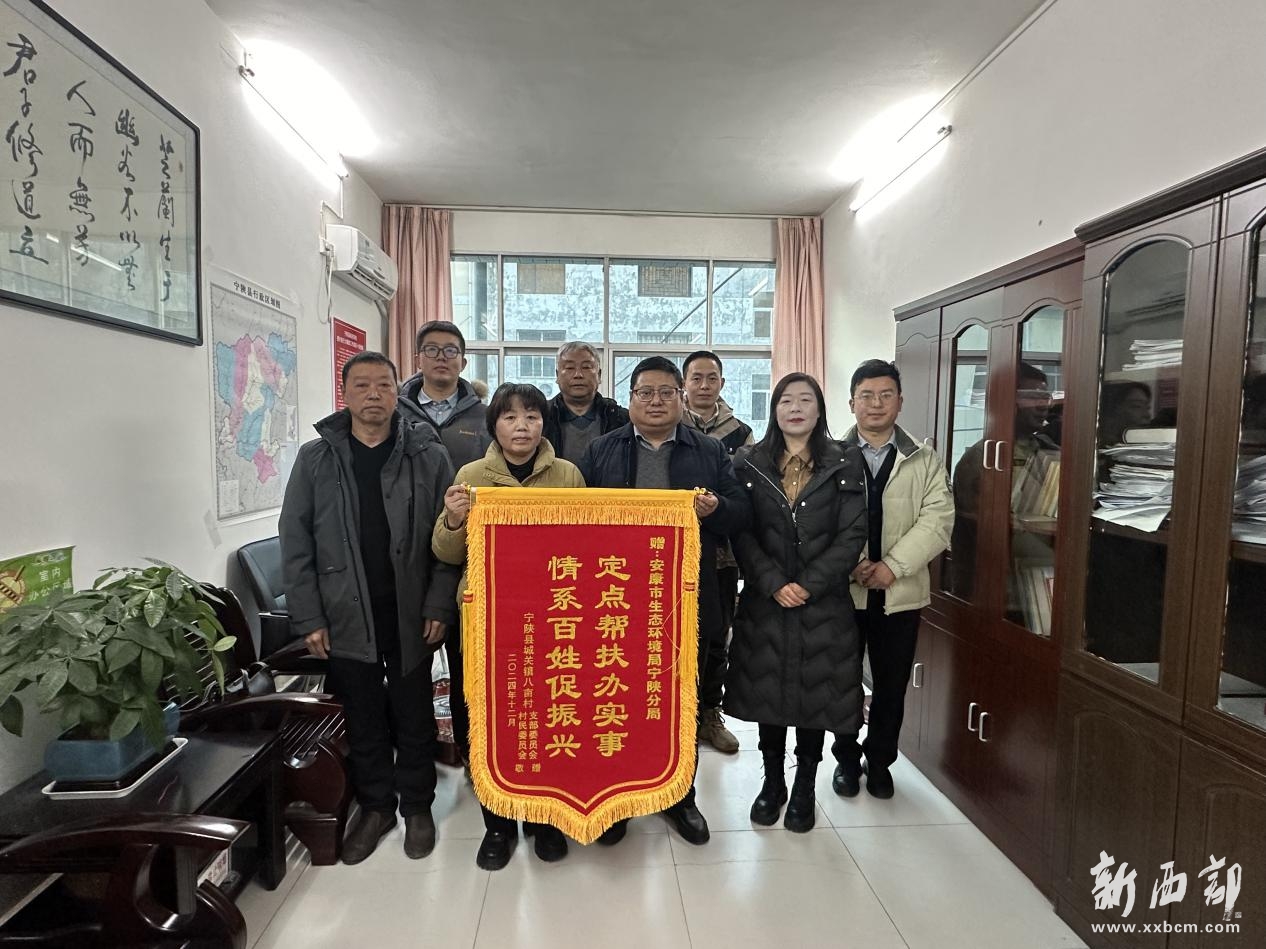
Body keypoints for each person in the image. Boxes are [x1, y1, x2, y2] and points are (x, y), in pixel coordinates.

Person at [280, 351, 458, 863]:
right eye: (362, 385)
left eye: (384, 384)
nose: (374, 394)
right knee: (362, 715)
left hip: (410, 610)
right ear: (345, 393)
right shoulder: (316, 458)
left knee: (414, 711)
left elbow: (449, 538)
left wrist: (438, 603)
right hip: (343, 612)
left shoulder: (427, 454)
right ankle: (376, 807)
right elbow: (296, 541)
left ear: (398, 391)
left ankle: (417, 807)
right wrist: (309, 617)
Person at [579, 355, 752, 846]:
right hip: (616, 600)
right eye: (645, 393)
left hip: (685, 597)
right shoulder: (601, 450)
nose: (655, 402)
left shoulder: (709, 450)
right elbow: (577, 520)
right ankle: (617, 797)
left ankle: (680, 796)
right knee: (618, 696)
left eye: (665, 392)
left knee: (680, 701)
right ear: (630, 398)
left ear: (681, 397)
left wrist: (715, 508)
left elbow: (740, 513)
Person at [432, 383, 585, 871]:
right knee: (488, 722)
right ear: (493, 425)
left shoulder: (568, 475)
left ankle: (545, 819)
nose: (522, 427)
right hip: (486, 622)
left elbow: (588, 545)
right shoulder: (471, 476)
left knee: (548, 718)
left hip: (552, 620)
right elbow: (446, 553)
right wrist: (454, 520)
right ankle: (497, 825)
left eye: (532, 417)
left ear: (544, 424)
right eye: (511, 417)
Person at [726, 373, 867, 832]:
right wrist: (772, 582)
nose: (795, 408)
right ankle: (773, 783)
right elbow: (742, 531)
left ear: (819, 409)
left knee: (815, 696)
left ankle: (805, 785)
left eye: (806, 400)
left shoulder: (844, 460)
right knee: (767, 693)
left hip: (823, 603)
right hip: (766, 600)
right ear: (775, 409)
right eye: (786, 400)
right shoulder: (750, 461)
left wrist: (808, 584)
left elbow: (853, 534)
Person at [833, 359, 954, 799]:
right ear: (851, 403)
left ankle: (880, 760)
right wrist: (851, 563)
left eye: (886, 395)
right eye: (866, 395)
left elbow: (938, 521)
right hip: (842, 593)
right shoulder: (829, 457)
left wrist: (891, 567)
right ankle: (846, 761)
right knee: (842, 682)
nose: (876, 404)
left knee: (891, 684)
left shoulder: (924, 459)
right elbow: (818, 521)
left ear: (900, 402)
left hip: (900, 593)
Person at [398, 319, 493, 766]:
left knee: (466, 664)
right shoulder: (395, 414)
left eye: (450, 350)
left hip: (465, 553)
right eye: (432, 350)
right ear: (418, 357)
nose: (441, 358)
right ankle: (416, 759)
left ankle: (472, 755)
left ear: (463, 361)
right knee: (409, 668)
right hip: (405, 554)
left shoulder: (484, 418)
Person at [680, 350, 754, 755]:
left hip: (721, 554)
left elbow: (745, 492)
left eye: (711, 378)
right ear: (684, 384)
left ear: (722, 384)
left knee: (715, 636)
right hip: (668, 554)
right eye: (696, 378)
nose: (704, 385)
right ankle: (674, 715)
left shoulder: (741, 432)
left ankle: (709, 713)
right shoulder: (669, 423)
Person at [541, 340, 629, 465]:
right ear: (557, 375)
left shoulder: (621, 419)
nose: (578, 375)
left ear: (599, 375)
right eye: (569, 368)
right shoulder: (541, 417)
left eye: (586, 367)